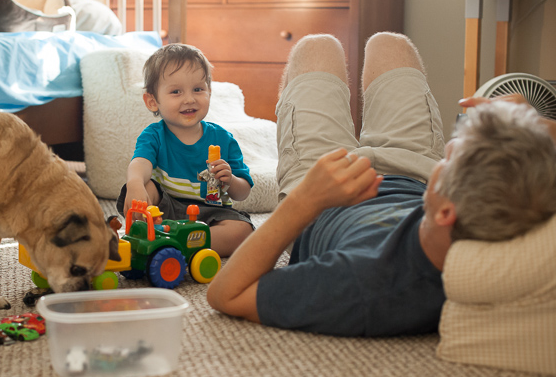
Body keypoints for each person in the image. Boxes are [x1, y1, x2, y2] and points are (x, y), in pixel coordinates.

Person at [207, 32, 556, 336]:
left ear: (448, 210)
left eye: (450, 160)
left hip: (324, 195)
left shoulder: (363, 283)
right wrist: (532, 126)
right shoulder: (469, 211)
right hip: (414, 177)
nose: (447, 149)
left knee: (317, 47)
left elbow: (225, 294)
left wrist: (304, 200)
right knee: (390, 44)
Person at [117, 43, 254, 257]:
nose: (189, 99)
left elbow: (243, 191)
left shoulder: (223, 139)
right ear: (153, 101)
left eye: (198, 89)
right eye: (176, 91)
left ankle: (180, 242)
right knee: (145, 187)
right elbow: (140, 163)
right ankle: (160, 236)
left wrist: (231, 181)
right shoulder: (154, 135)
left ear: (209, 91)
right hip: (165, 209)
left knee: (243, 230)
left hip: (211, 212)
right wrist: (134, 184)